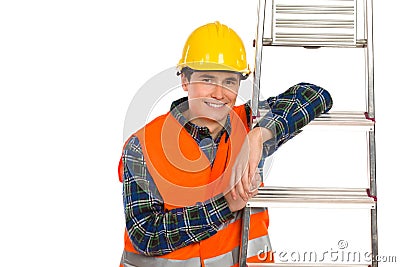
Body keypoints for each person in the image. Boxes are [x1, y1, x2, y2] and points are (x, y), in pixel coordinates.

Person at [118, 21, 332, 267]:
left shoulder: (250, 123)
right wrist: (227, 205)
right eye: (207, 79)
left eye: (229, 82)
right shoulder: (143, 145)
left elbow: (315, 95)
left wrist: (258, 137)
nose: (219, 94)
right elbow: (146, 235)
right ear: (185, 81)